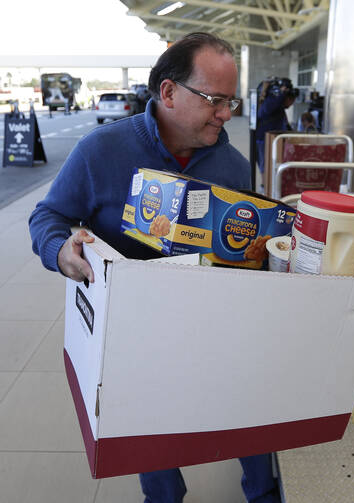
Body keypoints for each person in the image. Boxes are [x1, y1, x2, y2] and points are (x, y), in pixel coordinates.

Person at [28, 32, 280, 503]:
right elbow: (49, 216)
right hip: (134, 332)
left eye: (232, 101)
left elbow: (246, 243)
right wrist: (61, 250)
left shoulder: (231, 165)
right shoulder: (101, 151)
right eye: (214, 100)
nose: (227, 114)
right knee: (153, 430)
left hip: (216, 324)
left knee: (247, 409)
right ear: (168, 92)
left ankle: (263, 492)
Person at [254, 77, 297, 176]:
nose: (290, 105)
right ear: (287, 97)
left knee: (272, 165)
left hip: (272, 139)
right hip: (263, 139)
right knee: (265, 165)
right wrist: (280, 95)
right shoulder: (273, 100)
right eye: (291, 101)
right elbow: (264, 111)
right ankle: (264, 187)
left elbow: (285, 123)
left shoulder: (278, 106)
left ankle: (268, 186)